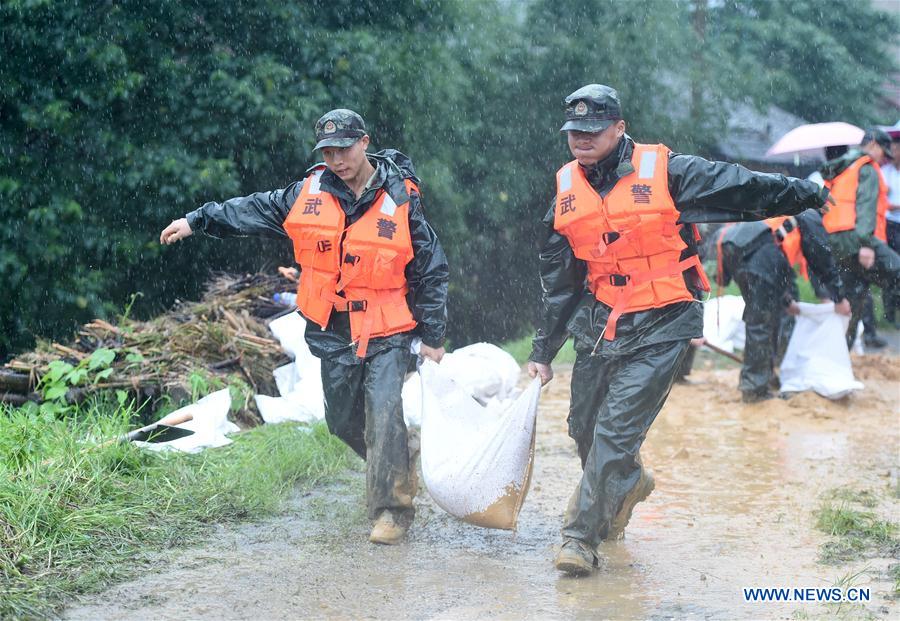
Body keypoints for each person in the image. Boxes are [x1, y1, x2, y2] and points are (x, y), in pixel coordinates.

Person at [526, 84, 832, 576]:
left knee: (613, 431)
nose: (581, 139)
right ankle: (628, 481)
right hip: (602, 321)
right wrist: (544, 348)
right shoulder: (565, 187)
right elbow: (559, 280)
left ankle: (580, 537)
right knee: (583, 427)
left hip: (664, 317)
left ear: (619, 128)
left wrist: (805, 193)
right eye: (573, 132)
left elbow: (739, 184)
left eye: (592, 130)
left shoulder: (665, 169)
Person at [160, 109, 449, 545]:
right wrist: (197, 220)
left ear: (364, 142)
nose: (337, 159)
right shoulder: (307, 193)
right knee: (341, 421)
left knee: (384, 408)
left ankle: (392, 510)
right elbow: (253, 209)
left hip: (388, 325)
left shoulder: (401, 196)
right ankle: (399, 458)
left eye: (344, 148)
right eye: (328, 151)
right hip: (333, 328)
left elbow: (431, 266)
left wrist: (433, 335)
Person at [717, 210, 850, 402]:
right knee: (762, 321)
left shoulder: (786, 207)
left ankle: (761, 378)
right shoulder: (809, 214)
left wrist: (786, 301)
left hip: (734, 248)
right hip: (756, 252)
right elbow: (821, 258)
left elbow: (774, 263)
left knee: (761, 314)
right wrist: (839, 297)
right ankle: (754, 389)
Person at [819, 128, 900, 349]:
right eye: (883, 152)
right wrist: (866, 245)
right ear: (872, 143)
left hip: (836, 239)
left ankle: (840, 353)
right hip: (857, 238)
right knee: (897, 270)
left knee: (855, 297)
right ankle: (892, 316)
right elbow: (864, 206)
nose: (884, 158)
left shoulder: (842, 167)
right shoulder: (867, 168)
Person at [879, 136, 900, 326]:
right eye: (892, 149)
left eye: (897, 149)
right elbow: (880, 199)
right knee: (890, 266)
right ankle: (889, 312)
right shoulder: (884, 172)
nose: (894, 153)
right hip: (889, 224)